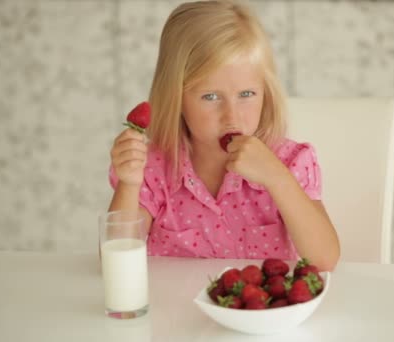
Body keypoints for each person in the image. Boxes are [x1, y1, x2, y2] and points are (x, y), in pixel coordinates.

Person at [108, 0, 339, 271]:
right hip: (174, 311)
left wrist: (276, 177)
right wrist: (130, 183)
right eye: (211, 96)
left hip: (259, 311)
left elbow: (325, 260)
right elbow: (116, 266)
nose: (232, 117)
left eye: (246, 95)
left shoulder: (291, 161)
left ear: (266, 94)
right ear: (176, 98)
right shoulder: (155, 167)